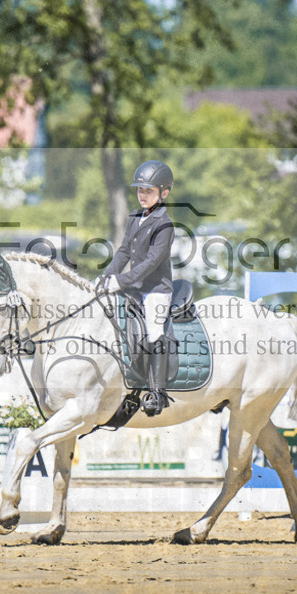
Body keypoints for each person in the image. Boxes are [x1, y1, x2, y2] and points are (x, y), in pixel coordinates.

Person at [98, 160, 175, 417]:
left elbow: (153, 262)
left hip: (156, 290)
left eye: (148, 191)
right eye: (140, 190)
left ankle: (157, 392)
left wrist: (122, 280)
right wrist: (108, 276)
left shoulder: (165, 225)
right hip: (132, 286)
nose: (142, 195)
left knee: (154, 331)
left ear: (164, 192)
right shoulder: (134, 216)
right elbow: (122, 252)